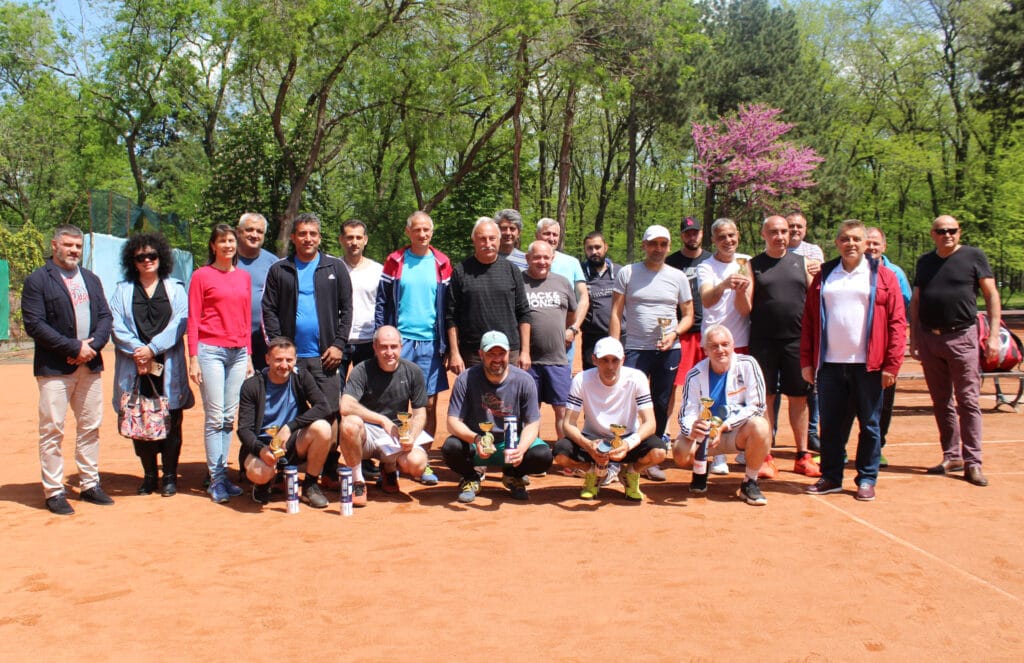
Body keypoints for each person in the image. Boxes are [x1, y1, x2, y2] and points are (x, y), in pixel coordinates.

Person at [801, 220, 907, 501]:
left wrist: (892, 364)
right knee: (831, 426)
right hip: (830, 365)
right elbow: (809, 320)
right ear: (837, 243)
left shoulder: (884, 276)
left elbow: (897, 322)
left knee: (870, 424)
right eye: (845, 239)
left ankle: (867, 478)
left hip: (869, 365)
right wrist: (807, 361)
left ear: (865, 244)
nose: (851, 244)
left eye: (857, 239)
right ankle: (831, 477)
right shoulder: (825, 275)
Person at [22, 224, 114, 515]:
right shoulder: (38, 280)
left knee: (90, 426)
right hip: (54, 369)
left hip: (90, 365)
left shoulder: (91, 279)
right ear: (55, 246)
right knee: (52, 429)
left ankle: (89, 484)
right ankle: (54, 490)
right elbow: (35, 324)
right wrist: (74, 348)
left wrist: (92, 347)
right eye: (68, 245)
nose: (74, 250)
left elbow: (105, 317)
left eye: (78, 246)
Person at [910, 215, 1001, 487]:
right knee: (941, 401)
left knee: (968, 401)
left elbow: (991, 295)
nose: (947, 235)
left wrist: (993, 336)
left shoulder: (974, 256)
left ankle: (973, 462)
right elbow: (916, 301)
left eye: (952, 230)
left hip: (962, 337)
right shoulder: (925, 262)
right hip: (930, 338)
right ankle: (952, 456)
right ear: (933, 234)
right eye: (941, 231)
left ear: (959, 232)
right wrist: (914, 338)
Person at [110, 233, 193, 497]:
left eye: (152, 255)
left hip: (167, 364)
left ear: (161, 257)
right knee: (138, 418)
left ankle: (169, 477)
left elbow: (181, 321)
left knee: (172, 420)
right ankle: (149, 476)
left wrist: (153, 348)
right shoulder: (122, 290)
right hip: (135, 365)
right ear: (132, 261)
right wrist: (139, 350)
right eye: (140, 257)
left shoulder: (175, 288)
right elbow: (115, 324)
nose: (147, 260)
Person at [609, 224, 693, 483]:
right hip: (634, 348)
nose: (658, 248)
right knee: (626, 401)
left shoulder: (678, 277)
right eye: (653, 243)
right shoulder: (627, 272)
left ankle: (649, 458)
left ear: (669, 247)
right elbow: (615, 312)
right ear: (644, 245)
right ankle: (616, 457)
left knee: (660, 402)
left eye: (663, 244)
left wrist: (674, 333)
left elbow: (688, 315)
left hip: (668, 350)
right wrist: (614, 348)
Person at [375, 210, 453, 485]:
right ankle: (391, 462)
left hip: (431, 343)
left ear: (432, 232)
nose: (422, 234)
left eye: (426, 229)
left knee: (428, 404)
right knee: (393, 401)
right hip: (400, 341)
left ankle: (423, 461)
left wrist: (447, 345)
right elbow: (382, 302)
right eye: (417, 229)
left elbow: (448, 307)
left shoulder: (442, 262)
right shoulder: (395, 260)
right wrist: (381, 335)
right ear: (408, 232)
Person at [262, 212, 353, 447]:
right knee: (290, 412)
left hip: (326, 357)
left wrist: (338, 345)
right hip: (290, 360)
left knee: (330, 410)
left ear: (320, 238)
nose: (308, 238)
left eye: (313, 234)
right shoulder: (280, 269)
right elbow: (269, 310)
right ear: (293, 237)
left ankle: (329, 463)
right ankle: (289, 461)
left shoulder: (335, 267)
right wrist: (280, 349)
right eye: (302, 233)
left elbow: (347, 310)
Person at [442, 331, 553, 503]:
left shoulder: (524, 380)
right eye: (491, 354)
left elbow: (532, 422)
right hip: (477, 444)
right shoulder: (466, 379)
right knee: (451, 447)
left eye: (501, 353)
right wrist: (477, 439)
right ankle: (471, 477)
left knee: (543, 455)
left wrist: (521, 448)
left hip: (511, 444)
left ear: (509, 353)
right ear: (481, 354)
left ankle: (514, 475)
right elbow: (452, 422)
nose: (497, 359)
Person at [748, 216, 820, 477]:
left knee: (799, 398)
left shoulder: (804, 264)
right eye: (774, 232)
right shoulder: (752, 265)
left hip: (796, 342)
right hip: (763, 341)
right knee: (766, 398)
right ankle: (766, 456)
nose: (779, 236)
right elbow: (745, 306)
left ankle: (802, 455)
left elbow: (816, 304)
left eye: (784, 231)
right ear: (763, 234)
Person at [553, 337, 666, 501]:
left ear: (623, 360)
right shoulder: (581, 380)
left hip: (627, 439)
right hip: (593, 440)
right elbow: (568, 424)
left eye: (615, 360)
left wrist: (628, 444)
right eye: (604, 360)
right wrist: (589, 446)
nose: (610, 366)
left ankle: (631, 473)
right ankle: (592, 473)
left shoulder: (637, 378)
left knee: (659, 452)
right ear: (594, 360)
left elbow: (650, 423)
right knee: (560, 453)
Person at [188, 223, 253, 504]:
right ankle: (215, 479)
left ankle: (223, 475)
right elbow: (193, 318)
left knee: (228, 417)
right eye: (222, 241)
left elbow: (246, 318)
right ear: (213, 246)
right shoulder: (201, 276)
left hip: (238, 353)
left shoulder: (244, 277)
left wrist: (248, 355)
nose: (228, 245)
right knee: (215, 418)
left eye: (231, 241)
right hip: (210, 351)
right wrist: (193, 358)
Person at [675, 325, 771, 506]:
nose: (720, 350)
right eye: (714, 346)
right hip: (706, 438)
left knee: (761, 426)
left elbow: (757, 406)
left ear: (733, 346)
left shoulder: (748, 364)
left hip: (738, 433)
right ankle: (701, 467)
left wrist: (724, 427)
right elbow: (686, 415)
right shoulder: (694, 374)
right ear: (705, 350)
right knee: (680, 451)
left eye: (725, 344)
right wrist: (693, 429)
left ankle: (750, 482)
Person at [339, 326, 432, 505]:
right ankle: (358, 481)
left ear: (401, 346)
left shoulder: (413, 371)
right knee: (349, 424)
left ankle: (388, 469)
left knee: (417, 464)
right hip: (367, 433)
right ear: (374, 347)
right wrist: (382, 420)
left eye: (393, 346)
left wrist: (411, 436)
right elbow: (346, 405)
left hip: (396, 436)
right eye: (383, 347)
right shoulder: (362, 370)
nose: (389, 352)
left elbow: (420, 413)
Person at [237, 337, 333, 508]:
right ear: (267, 359)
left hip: (291, 443)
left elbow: (323, 407)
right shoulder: (251, 385)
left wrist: (290, 427)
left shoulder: (301, 377)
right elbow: (244, 429)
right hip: (262, 446)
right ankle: (263, 483)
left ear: (295, 360)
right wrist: (261, 450)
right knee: (260, 472)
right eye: (278, 360)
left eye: (289, 360)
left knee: (323, 428)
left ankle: (310, 485)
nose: (284, 365)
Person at [697, 217, 757, 476]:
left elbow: (745, 310)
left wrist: (741, 290)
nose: (728, 241)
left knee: (741, 396)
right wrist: (724, 284)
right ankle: (717, 452)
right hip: (712, 342)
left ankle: (743, 446)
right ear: (714, 240)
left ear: (738, 235)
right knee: (714, 397)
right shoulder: (706, 266)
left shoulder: (746, 262)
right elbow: (707, 300)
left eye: (731, 235)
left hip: (739, 341)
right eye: (722, 237)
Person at [446, 217, 531, 373]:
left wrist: (525, 351)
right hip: (473, 352)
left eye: (492, 238)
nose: (488, 243)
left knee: (509, 389)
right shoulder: (461, 271)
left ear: (499, 240)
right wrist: (454, 353)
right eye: (482, 239)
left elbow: (524, 312)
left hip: (508, 350)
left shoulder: (512, 270)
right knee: (474, 389)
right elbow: (451, 316)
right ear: (474, 240)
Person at [864, 226, 911, 467]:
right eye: (867, 242)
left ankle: (876, 447)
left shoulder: (895, 273)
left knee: (882, 402)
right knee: (847, 402)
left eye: (876, 243)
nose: (871, 247)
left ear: (884, 246)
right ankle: (839, 449)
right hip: (853, 350)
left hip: (883, 349)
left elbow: (902, 311)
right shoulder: (848, 271)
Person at [522, 240, 577, 440]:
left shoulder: (562, 282)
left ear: (552, 258)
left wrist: (567, 330)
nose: (542, 261)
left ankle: (564, 452)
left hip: (557, 358)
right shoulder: (518, 282)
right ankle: (533, 451)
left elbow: (572, 313)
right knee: (531, 411)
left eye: (546, 257)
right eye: (537, 257)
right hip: (528, 361)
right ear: (528, 258)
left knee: (562, 409)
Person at [786, 211, 824, 450]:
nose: (794, 230)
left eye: (799, 226)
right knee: (775, 388)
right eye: (790, 226)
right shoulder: (775, 249)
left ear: (805, 229)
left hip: (806, 326)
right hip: (781, 330)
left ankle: (812, 431)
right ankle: (772, 432)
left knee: (810, 385)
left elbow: (817, 282)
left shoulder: (813, 251)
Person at [535, 217, 590, 365]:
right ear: (537, 235)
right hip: (533, 342)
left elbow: (583, 297)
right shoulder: (528, 260)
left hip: (564, 341)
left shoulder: (572, 263)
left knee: (562, 378)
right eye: (547, 233)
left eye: (555, 235)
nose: (551, 238)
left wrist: (573, 329)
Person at [338, 219, 383, 379]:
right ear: (341, 239)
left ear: (365, 240)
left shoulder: (378, 271)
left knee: (368, 391)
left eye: (358, 237)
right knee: (334, 390)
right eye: (350, 237)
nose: (354, 242)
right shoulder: (332, 268)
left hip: (368, 341)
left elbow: (383, 306)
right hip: (338, 342)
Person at [236, 212, 278, 370]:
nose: (254, 235)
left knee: (263, 381)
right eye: (249, 230)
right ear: (238, 232)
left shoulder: (273, 263)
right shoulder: (225, 259)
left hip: (264, 339)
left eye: (259, 231)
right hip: (231, 339)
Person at [580, 231, 620, 371]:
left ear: (605, 247)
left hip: (620, 335)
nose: (594, 252)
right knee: (592, 377)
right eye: (589, 248)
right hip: (592, 337)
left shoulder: (620, 272)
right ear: (585, 250)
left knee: (619, 376)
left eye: (597, 247)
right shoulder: (579, 273)